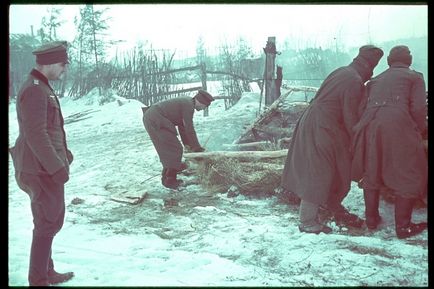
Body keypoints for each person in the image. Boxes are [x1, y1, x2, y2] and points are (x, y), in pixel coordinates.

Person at [280, 45, 384, 234]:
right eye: (373, 67)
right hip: (324, 126)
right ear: (369, 65)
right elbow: (349, 115)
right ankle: (307, 221)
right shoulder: (354, 80)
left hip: (316, 121)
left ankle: (332, 205)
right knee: (319, 171)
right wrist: (358, 138)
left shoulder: (343, 71)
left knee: (337, 168)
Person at [9, 41, 74, 286]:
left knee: (49, 219)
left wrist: (63, 154)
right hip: (40, 168)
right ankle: (38, 279)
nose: (63, 70)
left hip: (42, 165)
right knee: (48, 220)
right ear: (50, 63)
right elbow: (36, 133)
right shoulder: (36, 89)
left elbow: (48, 128)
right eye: (62, 65)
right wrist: (56, 166)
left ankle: (47, 271)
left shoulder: (40, 86)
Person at [351, 45, 427, 239]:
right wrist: (419, 130)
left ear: (389, 61)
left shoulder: (375, 80)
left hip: (370, 125)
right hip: (398, 123)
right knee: (408, 171)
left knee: (372, 169)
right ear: (408, 60)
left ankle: (371, 219)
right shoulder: (415, 77)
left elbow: (361, 109)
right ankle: (403, 227)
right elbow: (418, 109)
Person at [142, 90, 215, 189]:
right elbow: (189, 128)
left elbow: (183, 128)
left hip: (152, 117)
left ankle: (166, 178)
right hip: (155, 118)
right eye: (205, 106)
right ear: (201, 102)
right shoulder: (188, 105)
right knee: (175, 148)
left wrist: (189, 146)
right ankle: (170, 180)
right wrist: (197, 148)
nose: (203, 109)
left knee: (169, 148)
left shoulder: (188, 102)